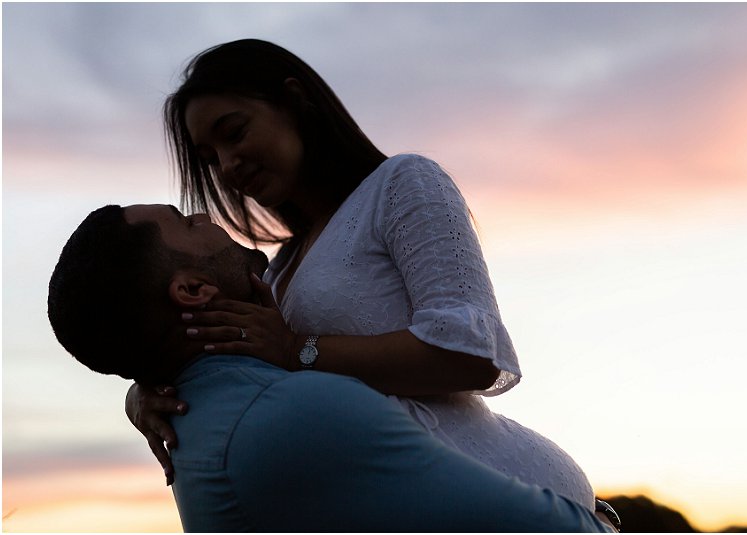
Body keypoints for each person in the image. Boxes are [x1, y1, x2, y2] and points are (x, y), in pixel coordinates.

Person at [128, 38, 614, 521]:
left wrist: (296, 350)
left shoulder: (403, 183)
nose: (228, 166)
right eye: (211, 158)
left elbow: (471, 353)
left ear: (295, 101)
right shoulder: (278, 269)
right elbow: (227, 358)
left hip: (522, 495)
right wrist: (145, 394)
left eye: (234, 132)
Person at [47, 203, 615, 532]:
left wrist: (141, 382)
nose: (203, 212)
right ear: (193, 290)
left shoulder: (209, 416)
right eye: (183, 221)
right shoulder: (293, 414)